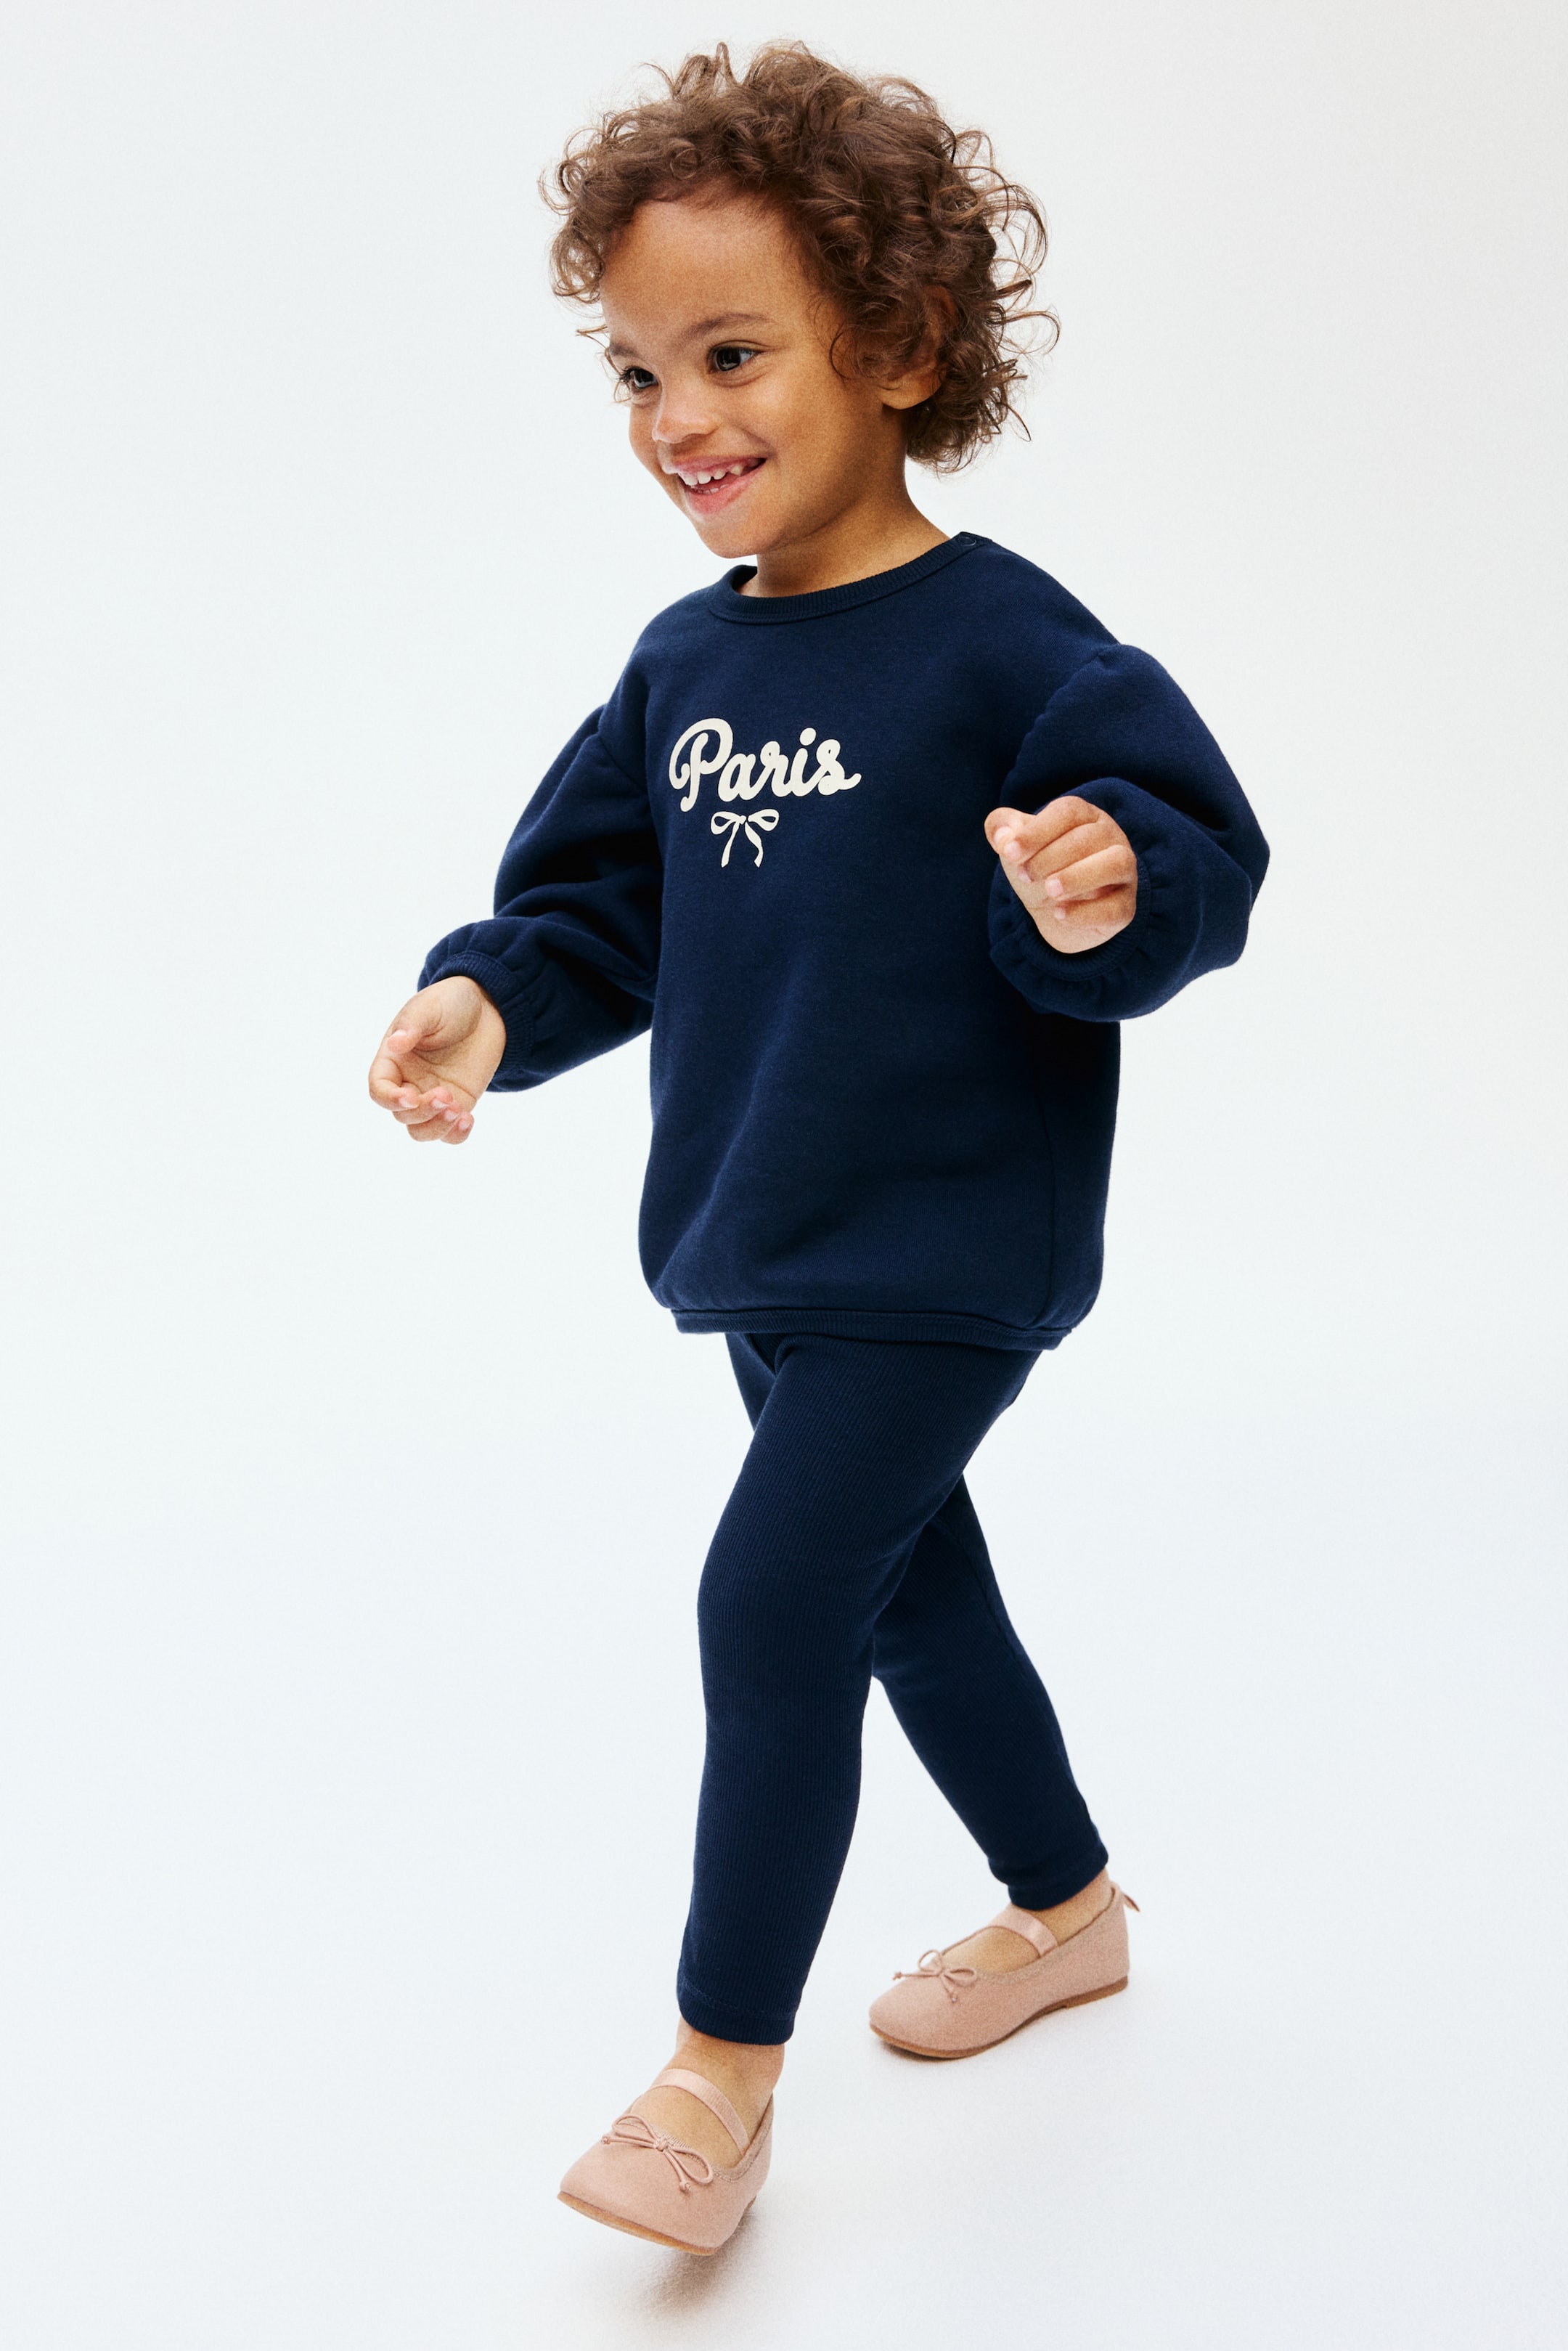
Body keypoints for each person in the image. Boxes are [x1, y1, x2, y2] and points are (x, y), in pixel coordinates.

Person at [367, 42, 1268, 2255]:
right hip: (761, 1236)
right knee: (910, 1600)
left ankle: (717, 2078)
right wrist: (494, 1001)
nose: (676, 415)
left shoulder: (1006, 637)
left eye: (731, 353)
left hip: (946, 1241)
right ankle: (1069, 1911)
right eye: (638, 370)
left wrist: (1107, 887)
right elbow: (600, 910)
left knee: (771, 1601)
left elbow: (1188, 846)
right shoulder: (684, 665)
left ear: (901, 344)